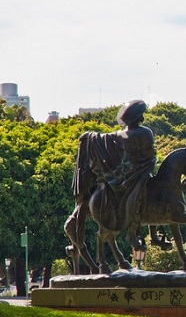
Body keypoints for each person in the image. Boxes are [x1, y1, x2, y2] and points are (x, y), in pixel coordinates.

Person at [65, 100, 157, 271]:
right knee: (150, 194)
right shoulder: (145, 133)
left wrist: (89, 137)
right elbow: (150, 153)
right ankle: (141, 233)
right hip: (136, 174)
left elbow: (103, 139)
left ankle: (149, 234)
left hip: (124, 174)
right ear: (139, 118)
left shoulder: (118, 136)